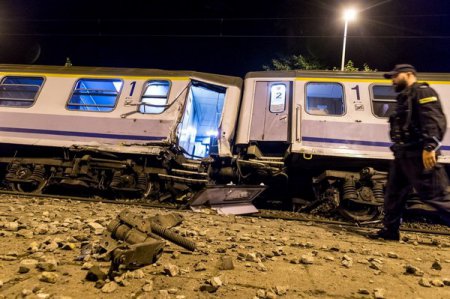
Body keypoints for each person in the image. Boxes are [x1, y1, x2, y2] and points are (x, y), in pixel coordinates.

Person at [369, 64, 450, 240]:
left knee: (437, 197)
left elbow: (433, 120)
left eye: (395, 76)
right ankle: (390, 231)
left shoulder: (422, 92)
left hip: (419, 155)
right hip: (403, 155)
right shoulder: (405, 96)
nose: (392, 80)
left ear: (408, 74)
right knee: (393, 196)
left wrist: (430, 146)